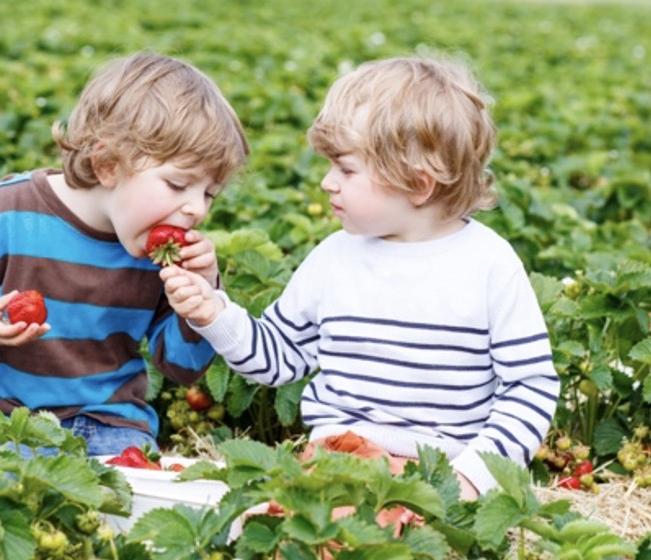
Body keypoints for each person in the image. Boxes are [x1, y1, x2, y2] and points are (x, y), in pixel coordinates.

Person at [160, 55, 560, 499]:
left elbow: (530, 386)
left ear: (418, 184)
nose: (327, 183)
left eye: (347, 170)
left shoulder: (488, 264)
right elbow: (278, 359)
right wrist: (213, 311)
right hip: (338, 458)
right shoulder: (335, 257)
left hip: (444, 472)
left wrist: (473, 477)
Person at [0, 51, 249, 459]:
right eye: (178, 184)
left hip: (107, 423)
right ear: (106, 164)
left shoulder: (164, 260)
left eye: (208, 193)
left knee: (127, 500)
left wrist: (202, 301)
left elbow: (181, 366)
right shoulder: (0, 217)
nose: (197, 209)